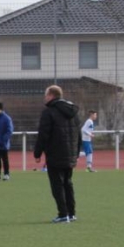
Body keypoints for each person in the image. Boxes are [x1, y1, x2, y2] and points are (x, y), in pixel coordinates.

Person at [33, 85, 81, 223]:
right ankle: (71, 213)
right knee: (68, 183)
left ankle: (63, 214)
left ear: (51, 95)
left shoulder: (49, 112)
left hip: (55, 154)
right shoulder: (73, 111)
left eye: (46, 95)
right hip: (70, 154)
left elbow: (43, 134)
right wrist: (76, 153)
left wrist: (37, 153)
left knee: (57, 185)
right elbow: (78, 134)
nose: (44, 97)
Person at [0, 102, 14, 180]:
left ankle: (6, 174)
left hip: (3, 144)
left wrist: (3, 140)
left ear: (0, 109)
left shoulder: (6, 118)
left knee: (5, 159)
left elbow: (9, 131)